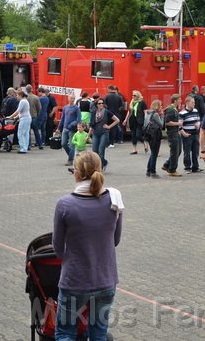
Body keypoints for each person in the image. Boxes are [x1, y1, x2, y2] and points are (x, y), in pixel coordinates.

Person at [52, 150, 124, 341]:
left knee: (66, 332)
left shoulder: (65, 204)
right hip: (106, 278)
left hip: (75, 279)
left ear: (76, 173)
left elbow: (58, 247)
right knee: (99, 332)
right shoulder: (114, 199)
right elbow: (115, 240)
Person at [90, 97, 120, 169]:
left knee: (101, 150)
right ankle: (104, 162)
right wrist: (88, 135)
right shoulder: (93, 112)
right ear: (96, 105)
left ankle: (100, 166)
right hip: (95, 133)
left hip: (104, 133)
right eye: (99, 103)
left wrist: (109, 126)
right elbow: (91, 124)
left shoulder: (107, 112)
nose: (101, 104)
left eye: (102, 103)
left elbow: (117, 120)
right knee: (94, 150)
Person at [179, 95, 201, 173]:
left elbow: (198, 120)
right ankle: (187, 167)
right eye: (192, 102)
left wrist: (198, 124)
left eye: (194, 102)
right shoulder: (182, 113)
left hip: (195, 133)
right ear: (187, 102)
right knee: (187, 151)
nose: (194, 104)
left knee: (196, 151)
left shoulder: (195, 111)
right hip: (187, 134)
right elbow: (180, 125)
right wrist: (183, 133)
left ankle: (195, 167)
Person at [162, 96, 182, 176]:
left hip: (176, 132)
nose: (181, 101)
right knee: (175, 151)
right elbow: (167, 122)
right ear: (175, 100)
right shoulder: (170, 109)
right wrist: (178, 123)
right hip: (172, 133)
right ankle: (172, 170)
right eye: (179, 99)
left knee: (178, 151)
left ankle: (166, 165)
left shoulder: (174, 109)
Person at [143, 100, 164, 178]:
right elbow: (161, 124)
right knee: (154, 154)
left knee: (152, 153)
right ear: (157, 106)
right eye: (161, 105)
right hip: (155, 135)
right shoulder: (155, 114)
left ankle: (148, 171)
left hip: (149, 135)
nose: (162, 107)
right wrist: (162, 115)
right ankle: (152, 172)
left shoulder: (147, 113)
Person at [125, 90, 147, 155]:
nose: (133, 96)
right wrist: (125, 119)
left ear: (138, 96)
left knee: (138, 135)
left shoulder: (142, 102)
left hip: (139, 120)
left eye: (134, 95)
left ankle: (144, 143)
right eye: (132, 95)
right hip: (132, 120)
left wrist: (145, 120)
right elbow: (129, 111)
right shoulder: (132, 102)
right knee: (133, 135)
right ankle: (134, 149)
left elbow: (145, 112)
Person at [12, 87, 33, 154]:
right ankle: (25, 147)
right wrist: (16, 117)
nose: (17, 97)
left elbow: (18, 111)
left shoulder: (22, 101)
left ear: (20, 95)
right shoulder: (25, 101)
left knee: (20, 133)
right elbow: (22, 111)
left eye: (17, 95)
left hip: (24, 119)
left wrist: (10, 116)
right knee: (26, 134)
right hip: (28, 118)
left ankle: (22, 148)